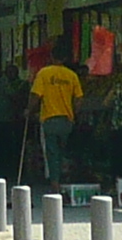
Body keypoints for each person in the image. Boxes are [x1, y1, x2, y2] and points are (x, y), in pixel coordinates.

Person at [30, 52, 84, 186]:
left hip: (50, 119)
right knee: (64, 152)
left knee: (52, 153)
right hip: (66, 119)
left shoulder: (44, 73)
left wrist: (28, 110)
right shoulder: (72, 75)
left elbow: (35, 95)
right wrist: (74, 115)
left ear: (51, 57)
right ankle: (65, 180)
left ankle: (55, 183)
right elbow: (79, 99)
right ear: (65, 58)